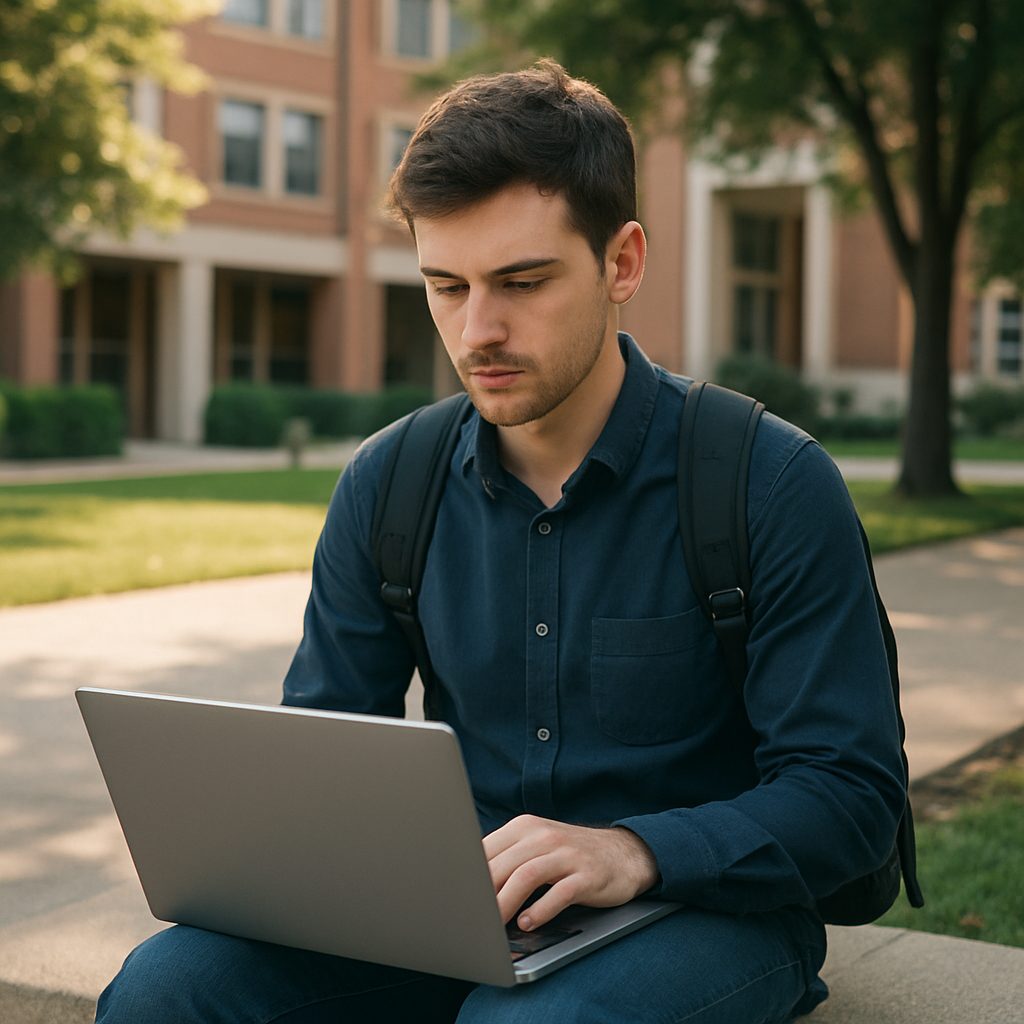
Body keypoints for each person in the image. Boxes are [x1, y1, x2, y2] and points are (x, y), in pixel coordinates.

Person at [95, 60, 906, 1023]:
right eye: (446, 286)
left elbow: (851, 798)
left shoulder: (769, 482)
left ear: (622, 263)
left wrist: (633, 851)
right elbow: (323, 758)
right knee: (166, 990)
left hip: (707, 910)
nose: (478, 329)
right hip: (456, 914)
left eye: (521, 281)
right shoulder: (387, 484)